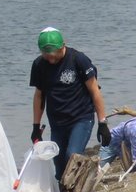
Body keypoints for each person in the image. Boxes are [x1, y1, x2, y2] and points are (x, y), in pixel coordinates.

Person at [30, 27, 110, 181]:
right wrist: (35, 127)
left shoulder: (78, 60)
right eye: (46, 55)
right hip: (57, 122)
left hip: (81, 118)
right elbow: (39, 96)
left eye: (54, 55)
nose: (51, 60)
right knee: (59, 165)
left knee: (72, 156)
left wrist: (102, 123)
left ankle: (82, 185)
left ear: (63, 46)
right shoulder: (39, 65)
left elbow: (95, 91)